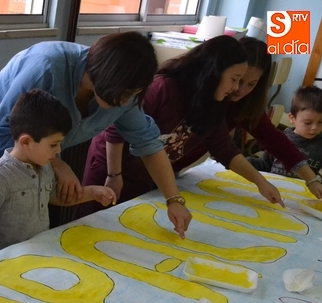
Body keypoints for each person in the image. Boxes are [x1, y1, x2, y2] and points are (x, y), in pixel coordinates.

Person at [0, 31, 192, 237]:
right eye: (124, 94)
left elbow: (148, 144)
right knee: (6, 225)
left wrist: (174, 200)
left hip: (42, 152)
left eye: (133, 94)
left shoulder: (125, 93)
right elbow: (3, 130)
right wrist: (57, 165)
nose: (125, 102)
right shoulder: (48, 65)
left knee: (39, 223)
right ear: (107, 76)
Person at [78, 35, 285, 221]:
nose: (235, 88)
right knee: (91, 222)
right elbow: (115, 130)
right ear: (214, 71)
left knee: (126, 222)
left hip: (145, 173)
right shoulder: (163, 88)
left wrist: (261, 182)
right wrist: (114, 175)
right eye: (234, 79)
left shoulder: (212, 104)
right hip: (112, 166)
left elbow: (225, 148)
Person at [0, 90, 116, 263]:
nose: (58, 150)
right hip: (5, 266)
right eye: (53, 144)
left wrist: (92, 193)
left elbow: (55, 196)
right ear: (26, 142)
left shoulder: (45, 167)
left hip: (38, 259)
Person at [178, 37, 322, 198]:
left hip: (177, 169)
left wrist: (311, 179)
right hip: (164, 165)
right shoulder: (203, 97)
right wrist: (260, 181)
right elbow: (223, 149)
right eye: (236, 80)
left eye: (251, 84)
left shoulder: (245, 105)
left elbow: (275, 141)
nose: (239, 89)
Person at [248, 85, 322, 192]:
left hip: (301, 194)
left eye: (320, 122)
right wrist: (245, 162)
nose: (314, 127)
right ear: (292, 118)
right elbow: (264, 165)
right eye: (308, 122)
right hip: (274, 190)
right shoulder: (280, 140)